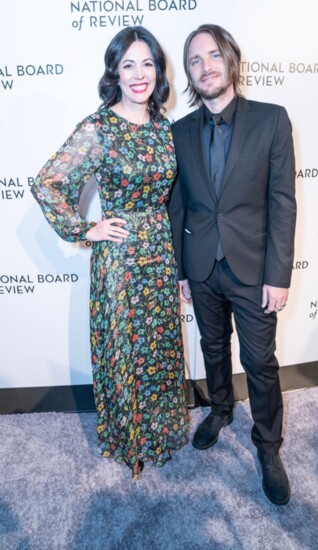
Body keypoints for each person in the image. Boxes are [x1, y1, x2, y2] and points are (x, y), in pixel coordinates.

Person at [31, 26, 189, 479]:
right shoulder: (98, 127)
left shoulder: (163, 127)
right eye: (128, 65)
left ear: (158, 71)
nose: (139, 74)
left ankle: (159, 434)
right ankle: (130, 442)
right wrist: (85, 229)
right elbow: (47, 184)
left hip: (159, 253)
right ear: (114, 73)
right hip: (118, 258)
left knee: (158, 348)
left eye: (147, 63)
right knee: (123, 350)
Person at [169, 24, 296, 504]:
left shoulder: (271, 119)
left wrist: (278, 275)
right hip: (201, 263)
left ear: (231, 60)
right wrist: (182, 268)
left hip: (254, 266)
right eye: (195, 60)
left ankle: (268, 445)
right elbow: (178, 205)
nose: (205, 66)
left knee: (260, 362)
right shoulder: (178, 132)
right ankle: (220, 408)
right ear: (189, 73)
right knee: (213, 345)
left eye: (213, 55)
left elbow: (283, 202)